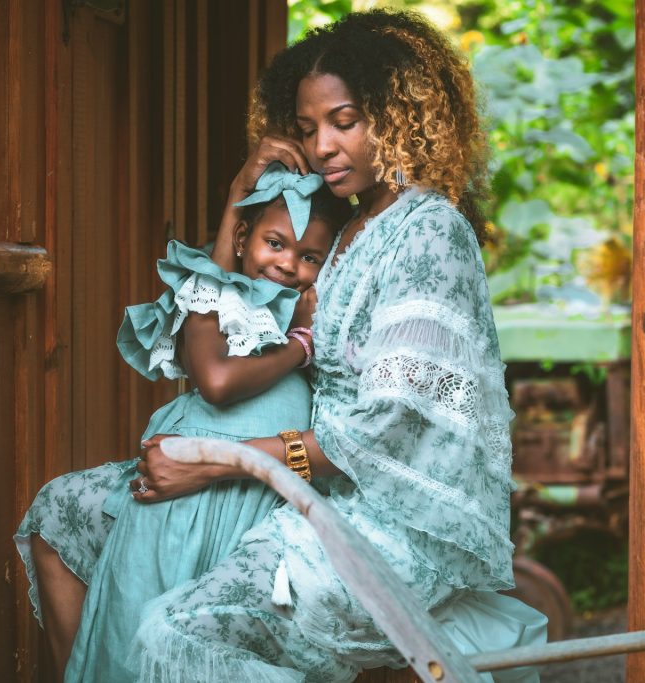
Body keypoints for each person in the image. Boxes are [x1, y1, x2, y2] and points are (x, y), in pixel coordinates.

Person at [127, 9, 548, 682]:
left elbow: (384, 433)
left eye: (344, 121)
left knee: (170, 633)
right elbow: (229, 335)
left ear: (401, 114)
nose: (322, 145)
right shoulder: (348, 231)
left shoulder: (427, 231)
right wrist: (240, 199)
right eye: (307, 129)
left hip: (395, 532)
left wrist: (219, 460)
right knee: (86, 526)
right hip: (322, 500)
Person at [14, 165, 351, 681]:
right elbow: (215, 382)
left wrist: (307, 333)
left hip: (259, 488)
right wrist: (298, 345)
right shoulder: (227, 300)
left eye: (309, 257)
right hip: (190, 475)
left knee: (192, 629)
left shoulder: (320, 308)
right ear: (242, 239)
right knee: (130, 592)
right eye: (275, 244)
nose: (288, 265)